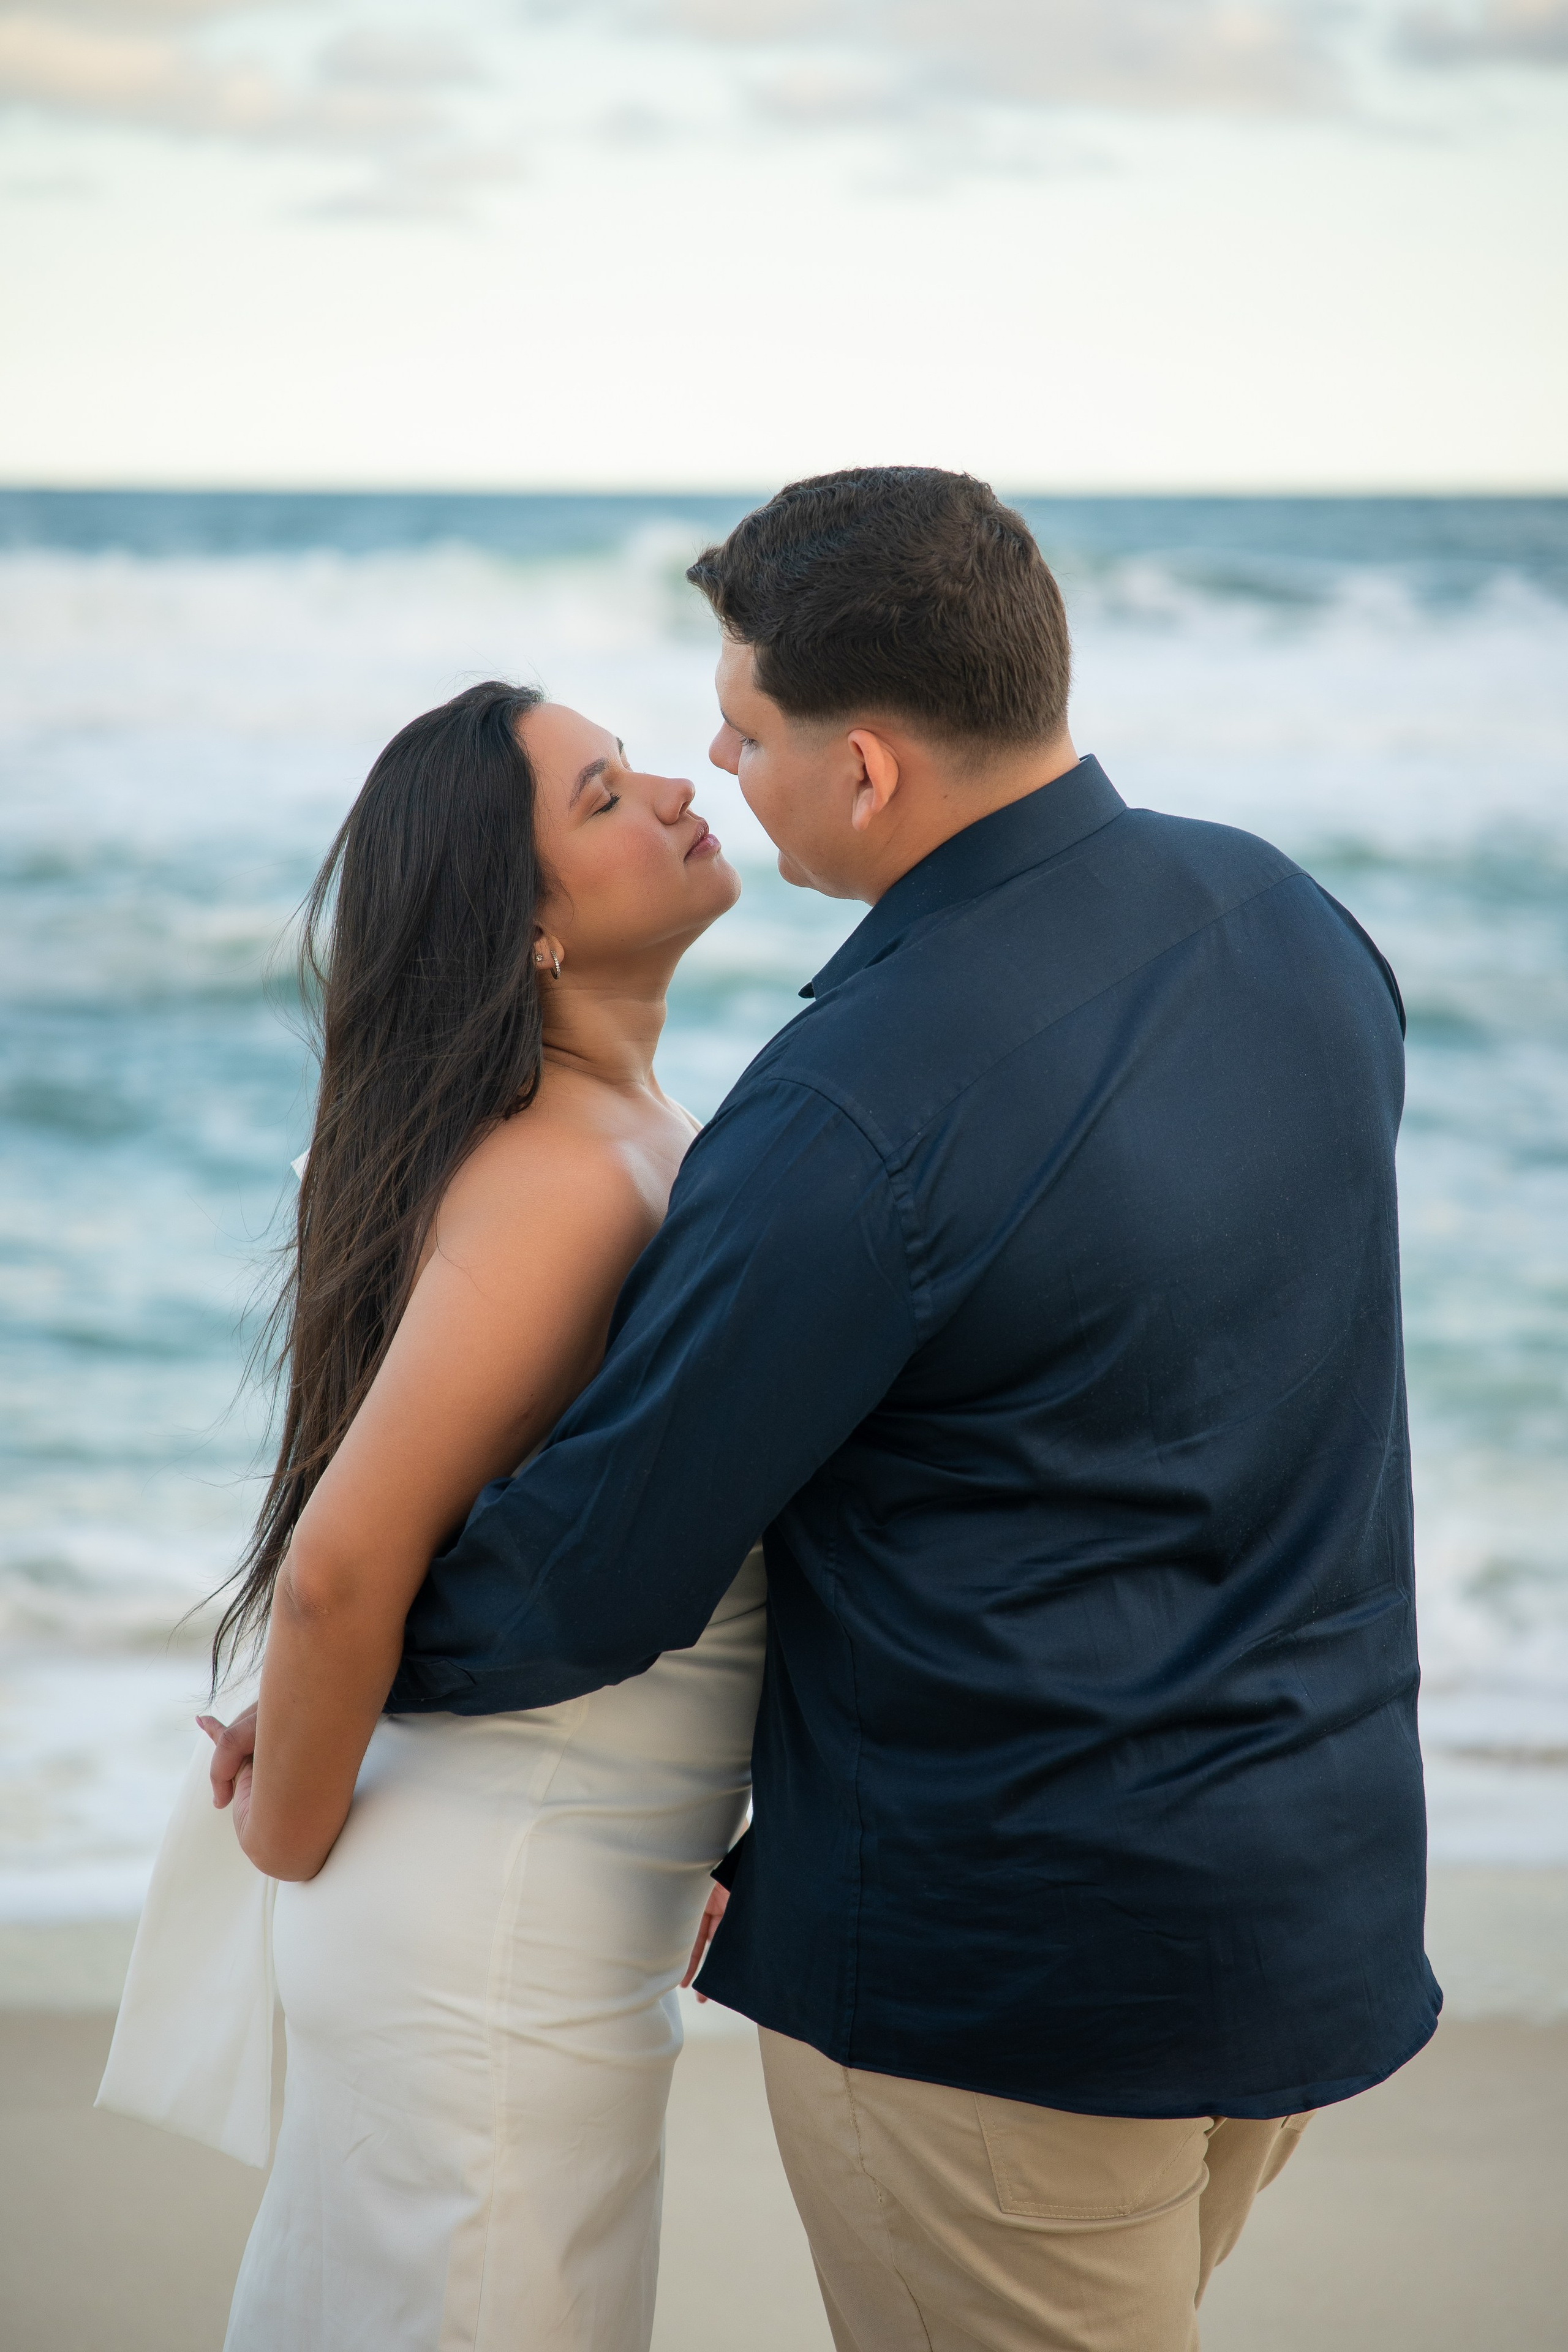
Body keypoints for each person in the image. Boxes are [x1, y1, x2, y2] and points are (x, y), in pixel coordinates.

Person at [361, 467, 1439, 2352]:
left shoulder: (852, 1101)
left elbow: (590, 1577)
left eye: (748, 726)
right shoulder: (1298, 927)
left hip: (1013, 1990)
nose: (717, 758)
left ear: (865, 771)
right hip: (1307, 1911)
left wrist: (346, 1649)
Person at [105, 681, 766, 2352]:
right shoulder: (560, 1176)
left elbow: (507, 1534)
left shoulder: (616, 1136)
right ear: (527, 929)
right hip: (489, 1944)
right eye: (607, 796)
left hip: (541, 1917)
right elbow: (339, 1571)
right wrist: (285, 1838)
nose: (681, 788)